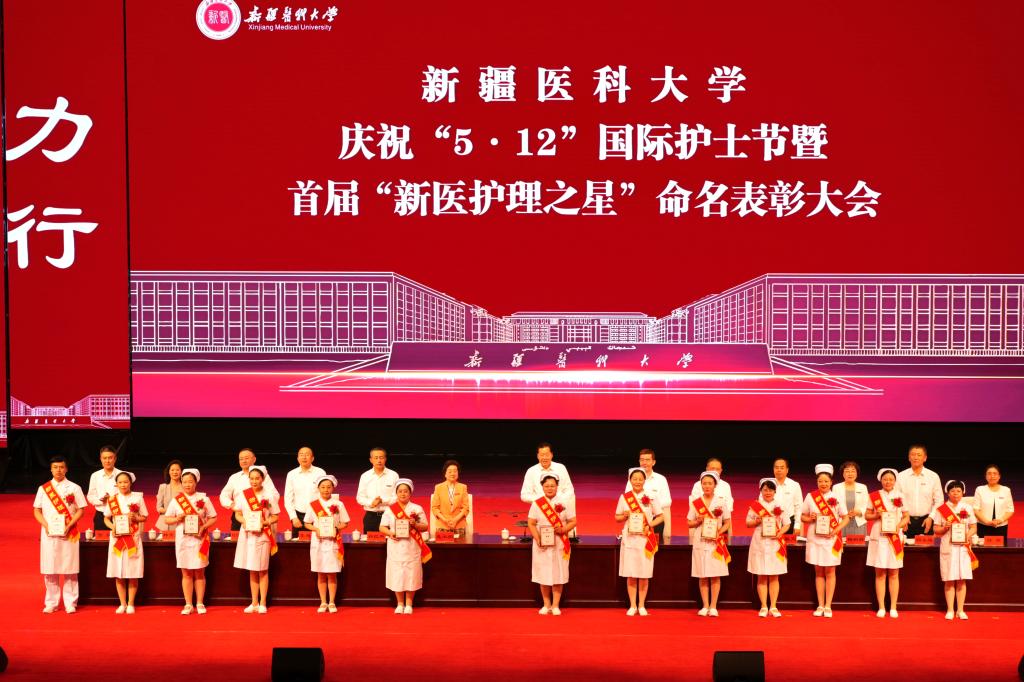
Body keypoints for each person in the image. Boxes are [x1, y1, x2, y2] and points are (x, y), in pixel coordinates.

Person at [33, 455, 86, 614]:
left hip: (69, 532)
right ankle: (51, 602)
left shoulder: (74, 488)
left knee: (70, 569)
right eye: (55, 467)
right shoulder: (43, 489)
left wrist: (69, 525)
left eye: (61, 467)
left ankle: (71, 603)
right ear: (51, 469)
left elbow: (81, 510)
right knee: (50, 569)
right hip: (49, 533)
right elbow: (37, 510)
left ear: (66, 469)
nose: (58, 470)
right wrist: (46, 525)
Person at [162, 468, 217, 614]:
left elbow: (213, 517)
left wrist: (204, 527)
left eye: (190, 482)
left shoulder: (204, 499)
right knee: (186, 572)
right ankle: (188, 604)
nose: (187, 484)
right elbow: (167, 519)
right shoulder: (177, 500)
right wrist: (177, 518)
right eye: (184, 482)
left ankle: (200, 603)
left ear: (196, 482)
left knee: (199, 572)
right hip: (183, 540)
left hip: (200, 539)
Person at [800, 464, 849, 618]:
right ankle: (820, 605)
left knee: (830, 571)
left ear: (831, 482)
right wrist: (810, 518)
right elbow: (802, 517)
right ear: (817, 482)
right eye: (820, 481)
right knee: (819, 571)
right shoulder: (810, 496)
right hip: (815, 539)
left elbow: (846, 518)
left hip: (831, 539)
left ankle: (828, 605)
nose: (823, 484)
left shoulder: (837, 497)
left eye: (826, 481)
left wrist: (836, 530)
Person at [232, 465, 279, 613]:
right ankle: (254, 602)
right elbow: (238, 514)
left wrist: (266, 522)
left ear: (262, 479)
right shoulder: (244, 495)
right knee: (252, 569)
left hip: (263, 534)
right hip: (247, 534)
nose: (254, 481)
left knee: (262, 569)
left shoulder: (269, 495)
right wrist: (244, 521)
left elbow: (275, 516)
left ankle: (263, 603)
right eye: (251, 478)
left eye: (257, 478)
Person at [379, 479, 431, 614]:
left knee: (411, 573)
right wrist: (390, 533)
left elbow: (425, 527)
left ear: (410, 493)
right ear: (396, 493)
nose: (403, 494)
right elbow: (382, 527)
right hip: (395, 545)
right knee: (397, 573)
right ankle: (400, 604)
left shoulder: (417, 508)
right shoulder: (390, 509)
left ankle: (409, 604)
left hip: (412, 545)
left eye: (406, 491)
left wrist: (415, 524)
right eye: (400, 491)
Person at [528, 473, 577, 615]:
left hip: (559, 542)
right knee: (543, 574)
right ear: (542, 487)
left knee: (558, 574)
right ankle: (546, 604)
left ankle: (555, 605)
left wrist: (563, 529)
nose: (549, 488)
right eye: (547, 486)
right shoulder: (537, 503)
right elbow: (531, 523)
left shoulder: (564, 502)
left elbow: (573, 521)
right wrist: (537, 538)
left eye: (552, 486)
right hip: (542, 544)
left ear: (557, 487)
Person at [864, 468, 909, 618]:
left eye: (890, 479)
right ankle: (881, 607)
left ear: (895, 481)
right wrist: (876, 515)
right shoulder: (874, 496)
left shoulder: (901, 496)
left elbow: (906, 517)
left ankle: (893, 607)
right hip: (879, 536)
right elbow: (867, 515)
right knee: (880, 573)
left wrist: (898, 526)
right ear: (880, 480)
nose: (888, 481)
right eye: (885, 479)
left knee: (894, 573)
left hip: (895, 536)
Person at [932, 480, 979, 620]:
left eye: (958, 491)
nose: (956, 493)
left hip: (963, 548)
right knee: (949, 579)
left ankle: (960, 610)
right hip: (948, 548)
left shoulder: (967, 507)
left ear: (963, 492)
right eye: (952, 491)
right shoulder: (941, 509)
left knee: (962, 580)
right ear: (948, 493)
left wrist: (966, 536)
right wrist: (944, 527)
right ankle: (950, 610)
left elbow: (973, 527)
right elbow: (936, 530)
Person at [303, 474, 350, 613]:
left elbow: (345, 522)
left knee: (332, 573)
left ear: (333, 488)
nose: (325, 490)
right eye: (323, 487)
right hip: (318, 542)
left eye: (328, 487)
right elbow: (307, 523)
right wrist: (316, 529)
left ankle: (332, 602)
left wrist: (336, 528)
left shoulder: (339, 504)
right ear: (318, 488)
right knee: (321, 573)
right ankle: (323, 602)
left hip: (333, 542)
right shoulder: (313, 505)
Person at [103, 471, 148, 614]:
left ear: (130, 483)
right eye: (120, 482)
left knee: (133, 571)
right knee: (118, 572)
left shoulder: (137, 498)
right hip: (117, 539)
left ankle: (131, 603)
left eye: (126, 482)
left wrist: (135, 518)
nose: (123, 485)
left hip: (132, 538)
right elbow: (106, 518)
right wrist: (113, 527)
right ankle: (122, 603)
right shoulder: (112, 500)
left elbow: (144, 517)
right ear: (116, 484)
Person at [686, 470, 730, 617]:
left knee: (715, 574)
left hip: (716, 542)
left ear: (715, 485)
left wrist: (719, 532)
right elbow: (689, 523)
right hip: (700, 540)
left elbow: (727, 522)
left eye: (710, 483)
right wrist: (697, 521)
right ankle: (705, 605)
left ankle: (713, 606)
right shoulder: (696, 503)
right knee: (702, 574)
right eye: (704, 483)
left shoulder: (721, 502)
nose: (706, 486)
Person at [746, 478, 789, 617]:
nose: (768, 492)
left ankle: (773, 606)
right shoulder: (756, 506)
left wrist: (780, 532)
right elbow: (747, 523)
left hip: (775, 543)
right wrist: (756, 521)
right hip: (759, 542)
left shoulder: (780, 505)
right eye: (765, 490)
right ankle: (764, 606)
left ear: (775, 491)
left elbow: (787, 524)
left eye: (770, 490)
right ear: (761, 491)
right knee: (761, 575)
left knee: (774, 576)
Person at [220, 448, 279, 531]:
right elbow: (224, 495)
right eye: (241, 459)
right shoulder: (234, 477)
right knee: (238, 538)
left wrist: (265, 506)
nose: (243, 461)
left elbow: (274, 495)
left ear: (254, 459)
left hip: (260, 516)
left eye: (246, 458)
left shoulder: (263, 476)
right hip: (239, 516)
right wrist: (231, 504)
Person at [624, 449, 672, 540]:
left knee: (655, 546)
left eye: (647, 460)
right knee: (636, 544)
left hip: (656, 519)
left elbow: (667, 501)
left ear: (653, 462)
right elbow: (627, 497)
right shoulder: (632, 479)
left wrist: (651, 506)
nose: (644, 463)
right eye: (642, 460)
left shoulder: (661, 479)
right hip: (637, 518)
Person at [896, 444, 942, 538]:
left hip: (926, 521)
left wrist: (931, 517)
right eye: (913, 454)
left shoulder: (933, 476)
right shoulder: (900, 476)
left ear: (925, 458)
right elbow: (896, 499)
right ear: (909, 457)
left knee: (926, 547)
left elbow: (939, 500)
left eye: (919, 455)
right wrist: (902, 517)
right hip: (905, 521)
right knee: (903, 546)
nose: (916, 457)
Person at [355, 447, 399, 533]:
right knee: (369, 541)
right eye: (376, 458)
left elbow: (397, 497)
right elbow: (360, 497)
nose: (379, 460)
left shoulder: (393, 475)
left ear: (385, 459)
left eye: (381, 457)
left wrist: (382, 501)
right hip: (371, 516)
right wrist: (371, 503)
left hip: (389, 515)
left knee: (390, 540)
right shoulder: (365, 476)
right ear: (371, 460)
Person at [284, 446, 326, 531]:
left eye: (307, 454)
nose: (304, 457)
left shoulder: (320, 472)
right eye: (301, 455)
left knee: (317, 538)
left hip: (317, 513)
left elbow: (324, 493)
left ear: (312, 458)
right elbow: (288, 498)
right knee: (298, 539)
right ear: (298, 458)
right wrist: (293, 517)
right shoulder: (291, 474)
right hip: (299, 515)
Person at [973, 464, 1014, 540]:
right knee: (982, 546)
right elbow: (976, 509)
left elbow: (1010, 510)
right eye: (989, 474)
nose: (992, 476)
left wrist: (1000, 520)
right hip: (983, 525)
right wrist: (986, 522)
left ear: (999, 476)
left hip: (1001, 526)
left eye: (995, 473)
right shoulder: (980, 489)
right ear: (986, 476)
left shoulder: (1006, 490)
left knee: (1001, 547)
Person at [86, 445, 121, 531]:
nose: (107, 461)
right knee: (100, 539)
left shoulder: (122, 474)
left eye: (110, 458)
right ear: (101, 459)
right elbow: (90, 496)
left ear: (115, 459)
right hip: (100, 515)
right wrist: (101, 501)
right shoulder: (95, 475)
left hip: (119, 514)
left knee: (120, 539)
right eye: (104, 458)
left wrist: (113, 500)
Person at [430, 459, 470, 533]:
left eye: (455, 471)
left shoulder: (463, 487)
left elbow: (465, 508)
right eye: (450, 471)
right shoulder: (438, 487)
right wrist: (445, 520)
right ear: (445, 474)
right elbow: (435, 508)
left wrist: (455, 520)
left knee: (460, 540)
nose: (452, 473)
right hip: (442, 525)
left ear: (458, 473)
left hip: (459, 524)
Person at [833, 461, 869, 538]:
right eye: (847, 471)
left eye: (853, 471)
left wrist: (858, 512)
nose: (850, 474)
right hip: (841, 523)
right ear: (843, 474)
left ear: (857, 473)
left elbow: (866, 504)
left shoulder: (863, 487)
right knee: (841, 545)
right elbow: (834, 506)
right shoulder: (836, 487)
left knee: (857, 545)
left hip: (858, 523)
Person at [771, 458, 803, 535]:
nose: (779, 470)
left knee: (788, 543)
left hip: (790, 522)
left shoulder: (794, 485)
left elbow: (799, 507)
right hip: (772, 522)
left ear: (787, 470)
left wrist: (797, 525)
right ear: (773, 469)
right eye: (776, 467)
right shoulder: (768, 484)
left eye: (782, 468)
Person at [155, 459, 184, 532]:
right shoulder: (163, 487)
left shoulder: (185, 488)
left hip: (181, 523)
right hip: (165, 524)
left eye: (177, 470)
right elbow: (159, 508)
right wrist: (171, 512)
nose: (175, 472)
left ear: (181, 472)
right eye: (172, 470)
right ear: (169, 472)